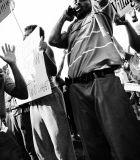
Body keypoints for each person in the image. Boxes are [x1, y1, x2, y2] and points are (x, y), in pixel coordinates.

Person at [48, 0, 140, 160]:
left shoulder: (100, 12)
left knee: (124, 139)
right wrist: (64, 16)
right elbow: (53, 40)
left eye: (80, 0)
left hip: (102, 81)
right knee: (93, 146)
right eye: (74, 1)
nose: (76, 2)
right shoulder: (72, 27)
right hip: (77, 89)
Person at [24, 25, 76, 160]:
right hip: (34, 100)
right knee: (42, 146)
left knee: (60, 141)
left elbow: (53, 71)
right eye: (25, 35)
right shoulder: (23, 56)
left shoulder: (45, 49)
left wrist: (42, 52)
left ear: (40, 37)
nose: (26, 38)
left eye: (30, 35)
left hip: (49, 95)